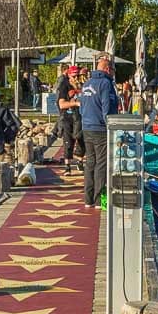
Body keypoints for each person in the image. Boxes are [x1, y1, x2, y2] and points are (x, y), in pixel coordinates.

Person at [79, 53, 120, 208]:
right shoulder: (105, 84)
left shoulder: (86, 84)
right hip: (101, 129)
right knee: (101, 164)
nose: (114, 74)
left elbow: (82, 108)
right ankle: (98, 199)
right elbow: (107, 109)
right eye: (113, 70)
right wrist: (112, 125)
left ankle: (87, 199)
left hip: (87, 127)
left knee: (90, 162)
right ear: (108, 69)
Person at [55, 65, 84, 171]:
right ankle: (67, 165)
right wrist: (75, 103)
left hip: (80, 116)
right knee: (68, 141)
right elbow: (61, 104)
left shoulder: (83, 86)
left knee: (81, 139)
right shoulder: (64, 85)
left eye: (78, 76)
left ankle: (80, 161)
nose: (76, 78)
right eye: (74, 76)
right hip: (67, 116)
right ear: (69, 75)